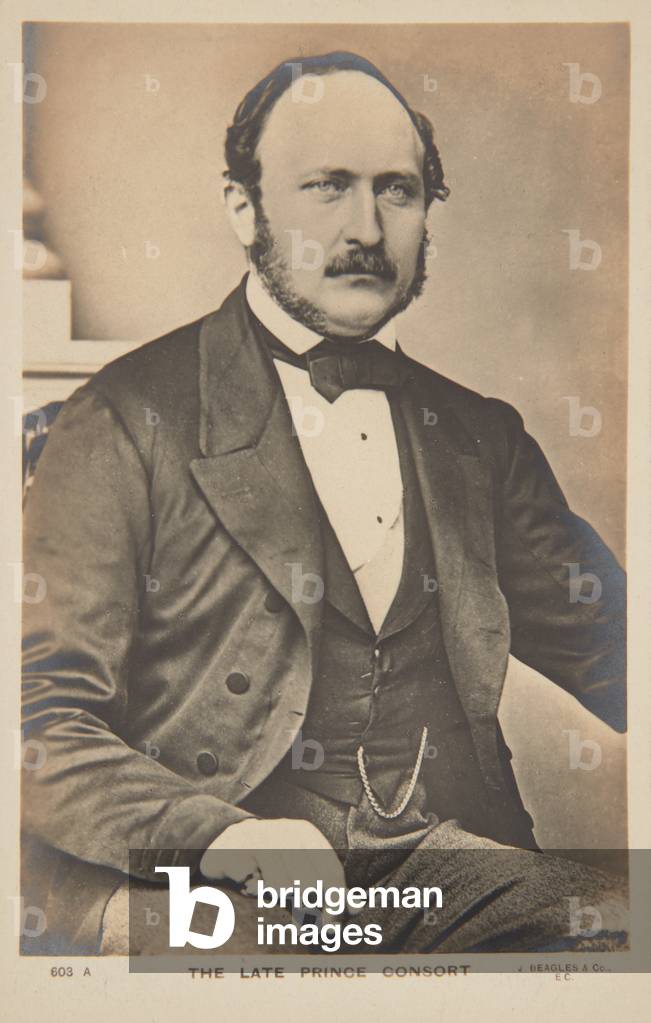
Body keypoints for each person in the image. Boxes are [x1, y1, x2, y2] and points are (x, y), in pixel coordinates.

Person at [21, 52, 627, 957]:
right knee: (262, 968)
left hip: (431, 865)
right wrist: (218, 835)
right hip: (198, 870)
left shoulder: (477, 438)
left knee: (619, 926)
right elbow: (37, 719)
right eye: (326, 186)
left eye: (397, 190)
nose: (366, 228)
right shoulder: (122, 417)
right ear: (243, 206)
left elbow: (615, 645)